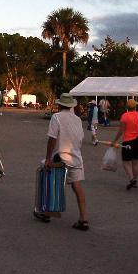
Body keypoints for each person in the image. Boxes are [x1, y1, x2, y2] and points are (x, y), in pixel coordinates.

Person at [38, 93, 89, 230]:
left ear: (60, 105)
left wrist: (48, 158)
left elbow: (52, 138)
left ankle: (48, 211)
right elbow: (80, 138)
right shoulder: (77, 120)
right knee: (77, 187)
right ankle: (84, 218)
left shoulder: (56, 117)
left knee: (50, 181)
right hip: (75, 157)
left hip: (60, 157)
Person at [111, 99, 138, 190]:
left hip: (128, 141)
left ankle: (131, 179)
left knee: (126, 162)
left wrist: (114, 141)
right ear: (135, 106)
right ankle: (135, 180)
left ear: (127, 107)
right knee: (136, 162)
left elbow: (121, 131)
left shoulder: (124, 116)